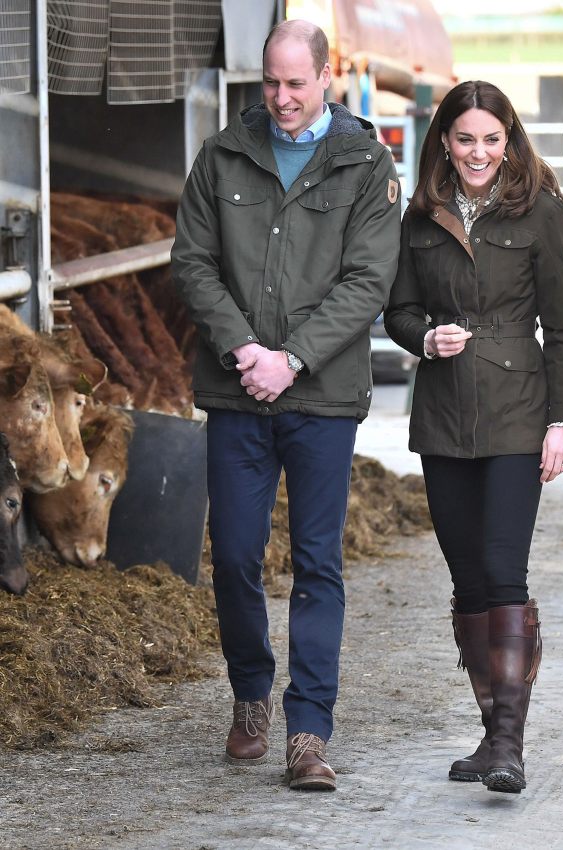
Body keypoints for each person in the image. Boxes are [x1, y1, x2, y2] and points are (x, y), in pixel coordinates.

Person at [171, 19, 401, 790]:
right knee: (234, 556)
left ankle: (309, 728)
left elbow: (368, 280)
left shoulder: (365, 164)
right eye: (270, 83)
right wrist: (247, 352)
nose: (281, 98)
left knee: (316, 563)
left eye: (295, 83)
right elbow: (193, 261)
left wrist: (293, 358)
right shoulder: (223, 153)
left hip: (322, 398)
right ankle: (249, 695)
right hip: (237, 391)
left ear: (325, 78)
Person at [384, 80, 563, 794]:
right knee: (468, 583)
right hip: (441, 418)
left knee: (504, 574)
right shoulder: (420, 216)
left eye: (491, 140)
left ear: (509, 140)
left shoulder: (541, 212)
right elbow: (398, 309)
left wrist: (562, 421)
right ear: (445, 139)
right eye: (465, 139)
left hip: (515, 414)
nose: (479, 153)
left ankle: (508, 745)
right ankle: (489, 733)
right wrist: (423, 336)